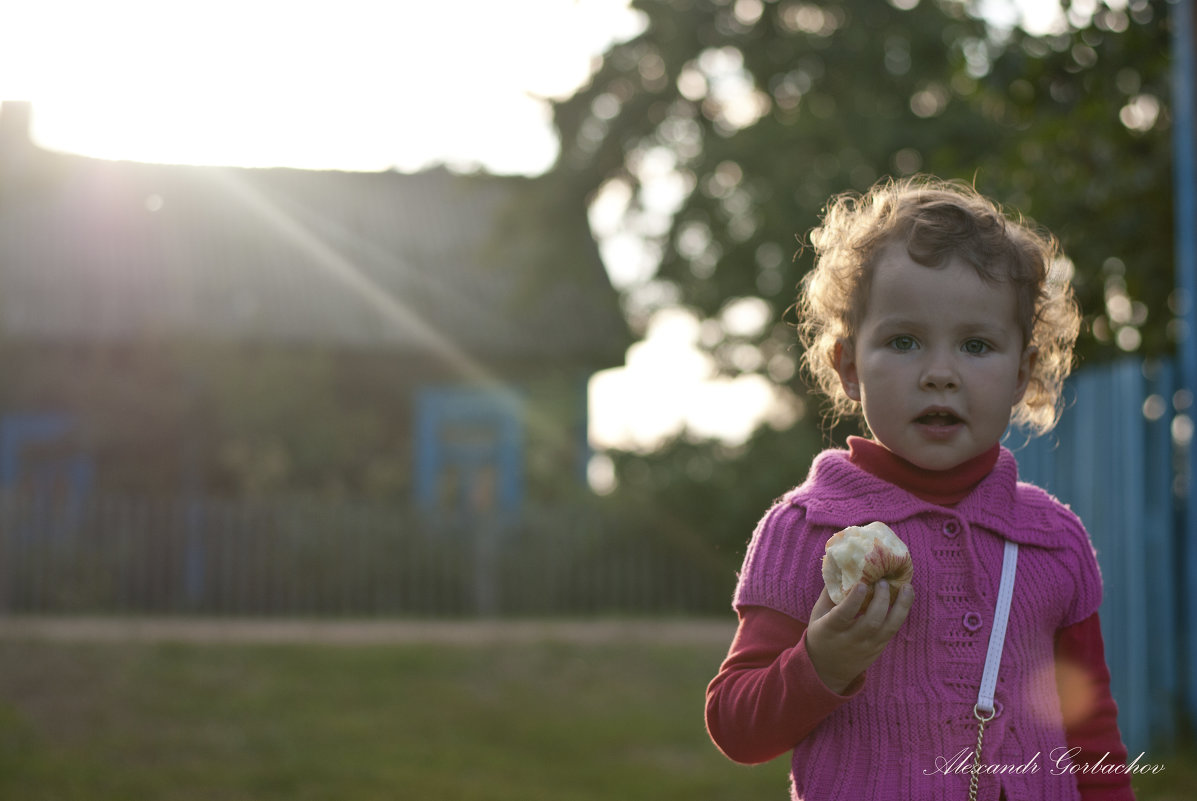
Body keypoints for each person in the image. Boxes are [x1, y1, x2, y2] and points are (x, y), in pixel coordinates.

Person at [705, 176, 1133, 801]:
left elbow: (1091, 738)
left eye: (976, 345)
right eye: (904, 342)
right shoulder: (805, 529)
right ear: (849, 366)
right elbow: (737, 728)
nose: (939, 374)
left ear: (1021, 374)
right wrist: (820, 663)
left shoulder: (1053, 542)